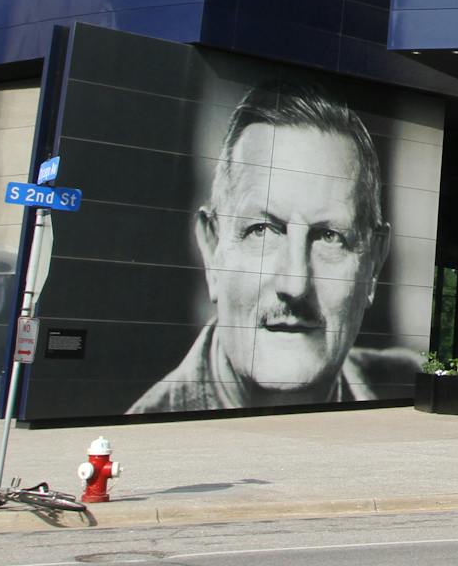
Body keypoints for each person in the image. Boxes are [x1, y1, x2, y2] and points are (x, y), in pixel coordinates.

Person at [128, 82, 416, 414]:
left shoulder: (409, 383)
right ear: (211, 249)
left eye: (329, 236)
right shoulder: (145, 430)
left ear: (374, 264)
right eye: (262, 231)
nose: (295, 283)